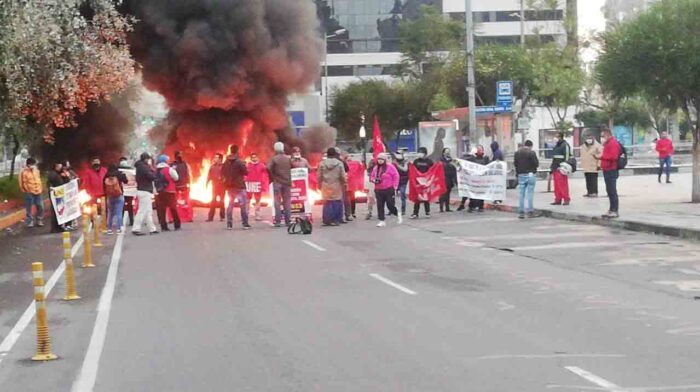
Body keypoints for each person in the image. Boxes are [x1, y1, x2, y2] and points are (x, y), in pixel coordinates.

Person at [221, 145, 250, 230]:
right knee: (242, 205)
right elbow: (246, 172)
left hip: (230, 187)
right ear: (237, 151)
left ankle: (229, 224)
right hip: (239, 186)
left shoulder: (226, 162)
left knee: (230, 205)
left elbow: (223, 172)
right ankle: (245, 224)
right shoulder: (239, 162)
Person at [370, 153, 401, 227]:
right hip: (378, 189)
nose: (380, 161)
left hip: (389, 189)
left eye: (382, 159)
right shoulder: (376, 168)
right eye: (379, 159)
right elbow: (372, 176)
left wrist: (395, 186)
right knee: (380, 205)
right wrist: (374, 180)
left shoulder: (390, 167)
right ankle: (382, 220)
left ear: (385, 160)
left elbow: (396, 176)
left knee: (390, 205)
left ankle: (397, 213)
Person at [318, 147, 346, 226]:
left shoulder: (322, 163)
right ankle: (336, 219)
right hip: (336, 184)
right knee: (336, 201)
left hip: (326, 185)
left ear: (327, 154)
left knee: (327, 202)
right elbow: (343, 175)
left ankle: (327, 220)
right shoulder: (339, 163)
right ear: (334, 154)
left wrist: (319, 184)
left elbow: (319, 176)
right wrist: (344, 183)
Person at [132, 153, 159, 236]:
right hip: (145, 191)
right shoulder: (143, 167)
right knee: (142, 211)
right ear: (145, 159)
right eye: (148, 159)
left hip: (143, 190)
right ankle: (136, 228)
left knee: (148, 211)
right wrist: (154, 175)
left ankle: (152, 229)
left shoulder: (140, 166)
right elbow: (150, 176)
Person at [267, 142, 292, 227]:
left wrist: (273, 176)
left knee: (277, 202)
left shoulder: (274, 159)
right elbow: (294, 166)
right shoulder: (288, 158)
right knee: (287, 202)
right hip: (287, 183)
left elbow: (268, 168)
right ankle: (288, 221)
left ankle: (278, 221)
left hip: (277, 182)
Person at [514, 140, 539, 219]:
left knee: (521, 194)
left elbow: (515, 164)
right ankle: (530, 211)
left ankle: (521, 212)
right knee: (530, 193)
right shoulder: (532, 153)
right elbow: (536, 164)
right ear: (531, 146)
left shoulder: (517, 153)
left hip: (521, 174)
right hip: (530, 174)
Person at [155, 154, 181, 232]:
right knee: (173, 208)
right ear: (166, 161)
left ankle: (164, 226)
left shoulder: (155, 170)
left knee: (162, 210)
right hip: (170, 191)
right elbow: (176, 178)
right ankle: (177, 224)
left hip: (159, 192)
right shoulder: (169, 169)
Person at [600, 128, 622, 219]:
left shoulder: (613, 143)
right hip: (606, 168)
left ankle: (615, 210)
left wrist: (601, 157)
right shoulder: (607, 144)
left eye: (603, 136)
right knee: (609, 190)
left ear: (607, 134)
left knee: (612, 191)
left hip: (611, 169)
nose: (602, 138)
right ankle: (611, 209)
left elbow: (613, 156)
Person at [19, 158, 44, 228]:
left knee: (40, 206)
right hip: (29, 192)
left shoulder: (36, 170)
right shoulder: (23, 172)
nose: (34, 166)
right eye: (33, 164)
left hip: (38, 191)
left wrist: (40, 188)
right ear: (29, 165)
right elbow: (21, 182)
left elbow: (38, 179)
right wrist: (25, 190)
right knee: (29, 207)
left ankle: (39, 220)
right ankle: (30, 221)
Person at [103, 164, 128, 234]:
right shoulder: (119, 174)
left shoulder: (106, 175)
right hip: (119, 195)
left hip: (110, 196)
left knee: (110, 213)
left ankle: (109, 229)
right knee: (119, 212)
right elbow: (126, 181)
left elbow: (103, 185)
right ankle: (119, 228)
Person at [410, 147, 433, 219]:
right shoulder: (416, 161)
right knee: (418, 197)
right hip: (418, 181)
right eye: (419, 152)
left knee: (426, 197)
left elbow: (432, 170)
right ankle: (415, 213)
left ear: (425, 153)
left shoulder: (429, 161)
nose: (419, 154)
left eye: (421, 152)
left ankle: (427, 212)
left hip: (426, 181)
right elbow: (413, 170)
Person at [466, 145, 490, 213]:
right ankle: (471, 206)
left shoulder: (485, 158)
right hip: (474, 180)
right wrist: (470, 154)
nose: (480, 151)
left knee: (481, 194)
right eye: (478, 149)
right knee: (473, 194)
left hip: (482, 180)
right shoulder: (472, 158)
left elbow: (489, 167)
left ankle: (480, 206)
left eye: (481, 149)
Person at [550, 132, 572, 206]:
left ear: (561, 137)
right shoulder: (556, 145)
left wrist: (564, 167)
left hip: (561, 168)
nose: (555, 138)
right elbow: (554, 157)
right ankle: (558, 199)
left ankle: (566, 199)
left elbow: (567, 157)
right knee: (556, 185)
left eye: (557, 137)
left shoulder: (565, 145)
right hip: (555, 167)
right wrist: (551, 168)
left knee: (563, 185)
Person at [246, 152, 268, 221]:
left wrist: (263, 184)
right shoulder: (248, 165)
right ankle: (246, 214)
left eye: (255, 157)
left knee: (257, 200)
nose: (254, 158)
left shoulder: (262, 165)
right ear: (251, 158)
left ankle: (257, 215)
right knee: (247, 200)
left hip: (258, 184)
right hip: (249, 184)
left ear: (257, 158)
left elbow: (265, 174)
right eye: (253, 157)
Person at [47, 162, 68, 233]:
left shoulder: (60, 174)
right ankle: (54, 228)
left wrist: (66, 176)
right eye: (59, 165)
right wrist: (51, 188)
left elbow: (66, 182)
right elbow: (49, 182)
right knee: (56, 211)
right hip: (55, 195)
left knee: (60, 211)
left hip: (61, 194)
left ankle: (59, 226)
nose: (60, 166)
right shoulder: (52, 174)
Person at [206, 153, 225, 222]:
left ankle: (222, 217)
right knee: (213, 201)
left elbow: (226, 175)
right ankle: (210, 217)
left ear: (220, 159)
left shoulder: (223, 166)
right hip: (214, 186)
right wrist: (207, 183)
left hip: (222, 187)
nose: (215, 159)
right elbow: (209, 175)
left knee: (221, 202)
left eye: (216, 157)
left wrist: (223, 180)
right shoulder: (212, 167)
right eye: (214, 157)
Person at [118, 157, 136, 226]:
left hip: (123, 191)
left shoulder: (120, 172)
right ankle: (132, 221)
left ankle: (121, 222)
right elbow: (135, 180)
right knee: (130, 206)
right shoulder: (132, 171)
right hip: (131, 191)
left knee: (122, 207)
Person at [439, 148, 457, 213]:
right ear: (443, 153)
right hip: (443, 178)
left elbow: (454, 168)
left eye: (448, 152)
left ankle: (447, 207)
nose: (447, 153)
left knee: (448, 193)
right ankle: (441, 208)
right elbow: (441, 167)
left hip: (450, 178)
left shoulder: (451, 159)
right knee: (443, 193)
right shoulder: (441, 160)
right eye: (446, 152)